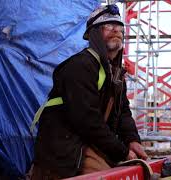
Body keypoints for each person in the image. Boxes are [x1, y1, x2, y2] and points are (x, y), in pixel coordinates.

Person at [30, 4, 148, 179]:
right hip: (67, 148)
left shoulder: (115, 73)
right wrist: (122, 152)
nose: (116, 30)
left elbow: (122, 111)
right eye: (108, 26)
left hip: (90, 142)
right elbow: (86, 119)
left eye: (119, 27)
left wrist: (132, 140)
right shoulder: (79, 66)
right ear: (94, 34)